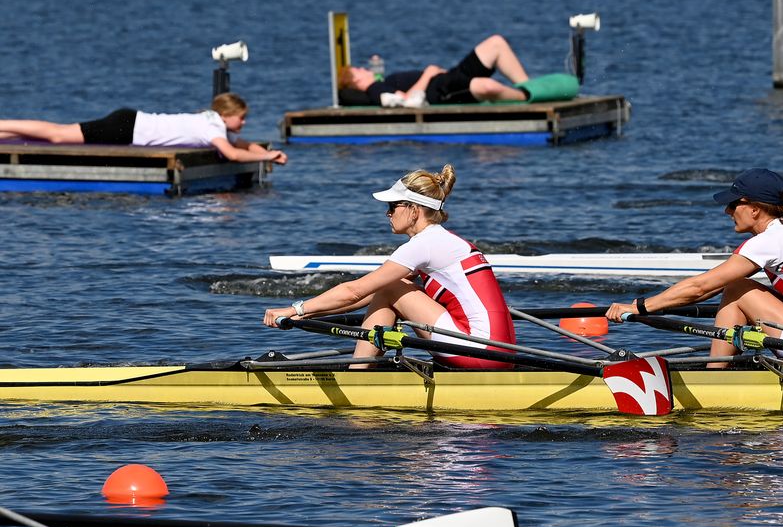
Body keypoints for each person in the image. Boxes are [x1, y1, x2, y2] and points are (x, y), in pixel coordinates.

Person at [263, 164, 516, 369]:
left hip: (480, 353)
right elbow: (366, 295)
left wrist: (294, 307)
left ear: (414, 210)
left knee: (392, 287)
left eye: (392, 206)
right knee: (391, 287)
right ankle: (361, 369)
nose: (388, 214)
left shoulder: (423, 245)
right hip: (501, 352)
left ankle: (358, 375)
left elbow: (354, 291)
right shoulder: (446, 240)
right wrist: (304, 314)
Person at [605, 168, 783, 369]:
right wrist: (662, 305)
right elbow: (706, 290)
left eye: (733, 204)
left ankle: (716, 375)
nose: (727, 211)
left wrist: (639, 307)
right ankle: (720, 368)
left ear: (754, 209)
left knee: (738, 287)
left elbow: (699, 287)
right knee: (734, 287)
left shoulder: (769, 242)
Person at [0, 92, 287, 165]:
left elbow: (242, 146)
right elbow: (233, 155)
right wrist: (266, 157)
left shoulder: (213, 124)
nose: (244, 123)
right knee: (58, 135)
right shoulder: (211, 125)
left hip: (129, 123)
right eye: (241, 118)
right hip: (127, 129)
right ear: (226, 115)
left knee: (57, 136)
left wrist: (268, 153)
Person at [338, 34, 532, 108]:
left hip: (450, 78)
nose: (363, 68)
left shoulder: (381, 84)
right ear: (355, 81)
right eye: (358, 70)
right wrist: (428, 74)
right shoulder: (375, 88)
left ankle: (530, 86)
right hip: (444, 92)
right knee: (486, 86)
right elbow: (408, 101)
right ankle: (527, 96)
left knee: (496, 43)